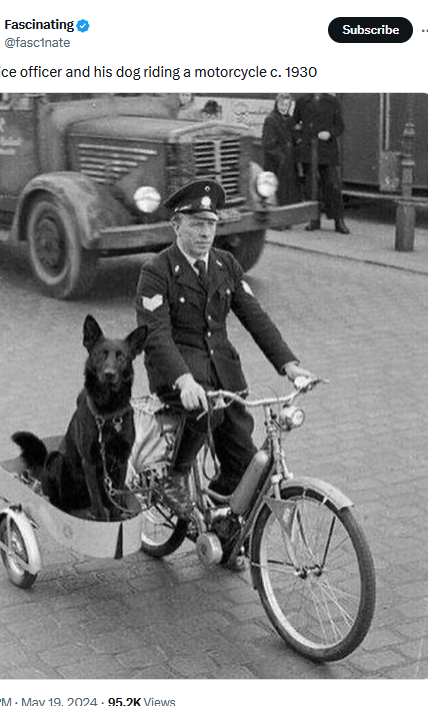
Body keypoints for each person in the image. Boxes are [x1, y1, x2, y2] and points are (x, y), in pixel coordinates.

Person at [135, 179, 315, 517]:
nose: (205, 233)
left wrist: (289, 364)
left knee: (246, 463)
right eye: (197, 224)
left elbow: (254, 316)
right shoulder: (156, 272)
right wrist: (184, 381)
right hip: (180, 374)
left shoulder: (225, 265)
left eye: (211, 225)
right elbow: (156, 336)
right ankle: (174, 477)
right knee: (207, 411)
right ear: (177, 225)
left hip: (225, 375)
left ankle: (223, 513)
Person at [294, 93, 350, 234]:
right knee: (311, 186)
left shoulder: (332, 102)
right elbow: (294, 123)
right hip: (309, 151)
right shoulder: (302, 101)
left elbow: (340, 126)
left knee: (333, 186)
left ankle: (339, 221)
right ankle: (314, 220)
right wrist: (301, 138)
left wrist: (329, 133)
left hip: (327, 151)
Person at [262, 93, 301, 207]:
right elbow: (268, 144)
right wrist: (281, 157)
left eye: (287, 105)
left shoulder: (289, 120)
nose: (284, 107)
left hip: (288, 163)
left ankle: (286, 220)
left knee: (288, 194)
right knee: (277, 194)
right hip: (275, 164)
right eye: (282, 104)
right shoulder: (271, 120)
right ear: (276, 104)